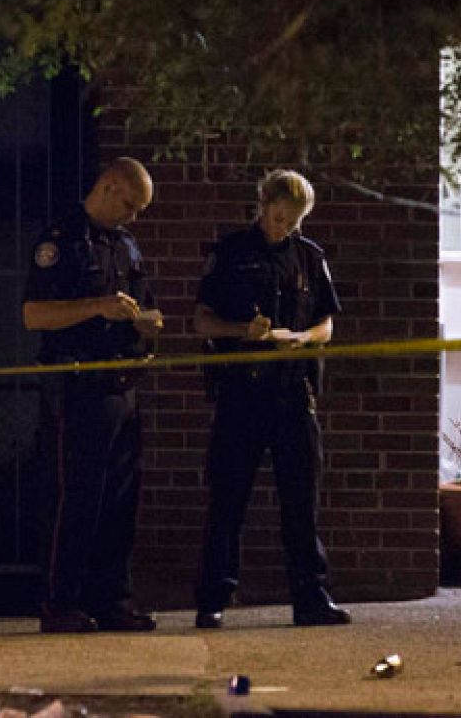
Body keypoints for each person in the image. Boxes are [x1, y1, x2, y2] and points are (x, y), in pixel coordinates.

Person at [192, 169, 351, 629]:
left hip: (293, 394)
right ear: (262, 203)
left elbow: (327, 320)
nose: (285, 228)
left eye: (294, 221)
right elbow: (202, 321)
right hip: (241, 394)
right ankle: (213, 598)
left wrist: (305, 339)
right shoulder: (231, 254)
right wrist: (244, 332)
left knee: (302, 502)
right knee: (228, 500)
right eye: (279, 217)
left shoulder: (309, 257)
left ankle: (310, 597)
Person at [23, 157, 163, 633]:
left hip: (123, 387)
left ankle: (112, 601)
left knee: (121, 501)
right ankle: (60, 603)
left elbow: (138, 302)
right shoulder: (61, 241)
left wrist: (145, 320)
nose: (135, 216)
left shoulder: (124, 244)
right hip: (78, 387)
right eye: (131, 204)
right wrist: (97, 307)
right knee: (75, 498)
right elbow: (34, 315)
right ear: (107, 187)